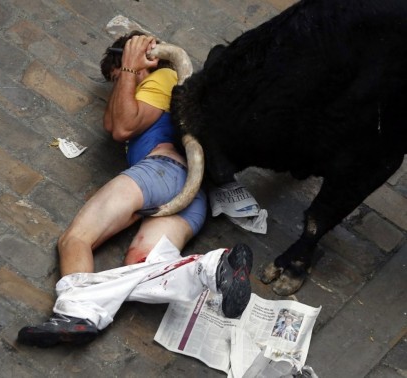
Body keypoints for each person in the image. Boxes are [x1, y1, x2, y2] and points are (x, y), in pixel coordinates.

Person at [17, 31, 253, 348]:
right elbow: (114, 123)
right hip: (191, 197)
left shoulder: (163, 77)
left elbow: (123, 126)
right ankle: (211, 269)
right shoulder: (151, 89)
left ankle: (77, 313)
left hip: (161, 172)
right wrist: (126, 73)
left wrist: (129, 68)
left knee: (74, 239)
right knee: (141, 265)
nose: (120, 89)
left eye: (119, 79)